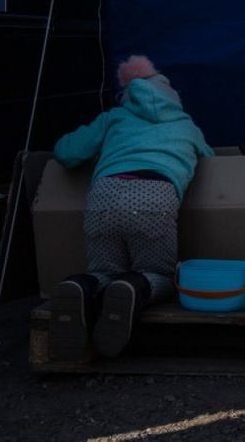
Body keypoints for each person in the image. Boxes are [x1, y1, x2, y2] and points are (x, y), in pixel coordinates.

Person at [48, 55, 214, 361]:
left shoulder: (114, 118)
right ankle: (133, 287)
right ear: (172, 97)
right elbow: (210, 159)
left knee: (102, 272)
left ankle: (78, 285)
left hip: (103, 197)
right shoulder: (187, 126)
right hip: (155, 196)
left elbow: (67, 153)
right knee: (157, 274)